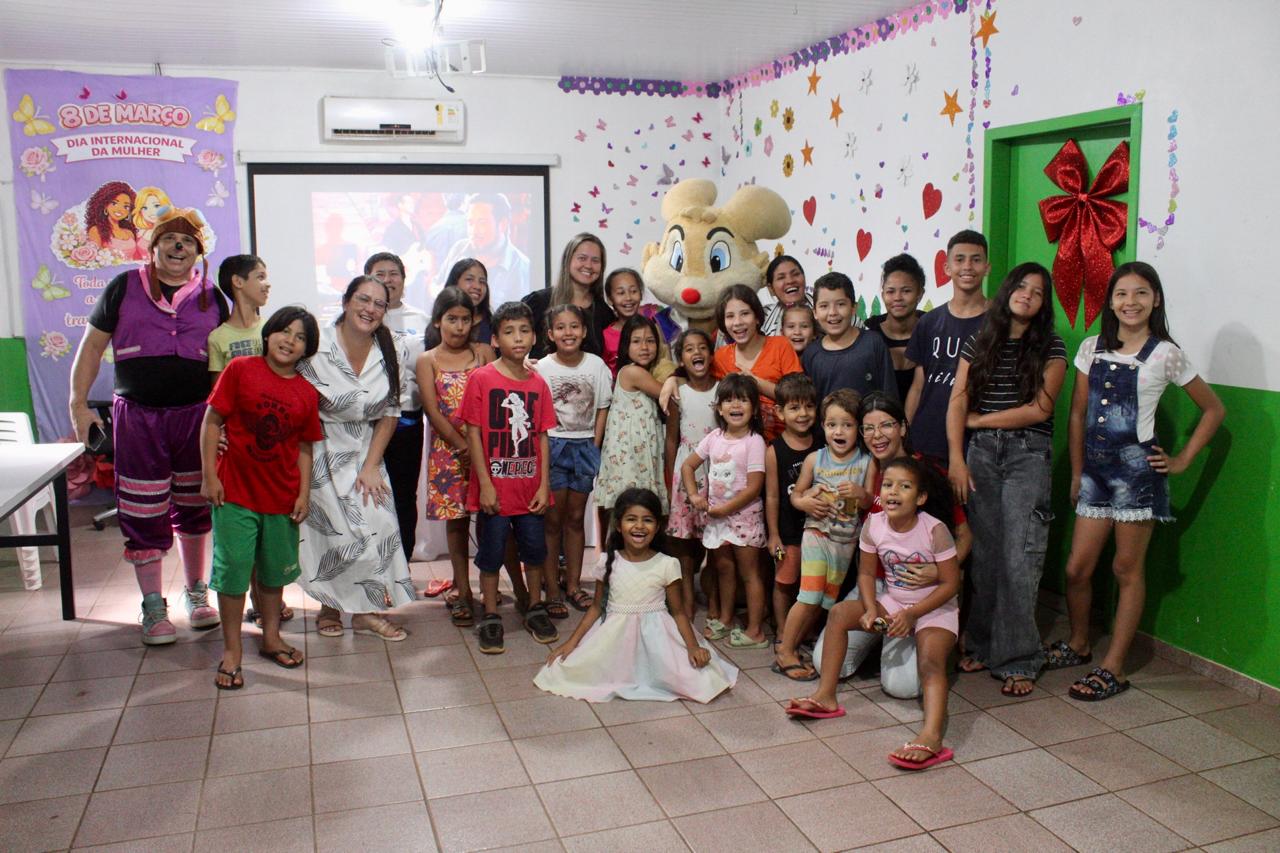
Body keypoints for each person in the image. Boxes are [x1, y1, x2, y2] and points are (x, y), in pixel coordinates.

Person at [1049, 262, 1224, 701]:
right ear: (1110, 302)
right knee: (1077, 568)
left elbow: (1214, 410)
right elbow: (1077, 414)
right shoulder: (1091, 347)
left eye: (1141, 293)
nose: (1131, 302)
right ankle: (1079, 642)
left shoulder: (1165, 354)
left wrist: (1182, 460)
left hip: (1137, 476)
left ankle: (1114, 667)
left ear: (1156, 299)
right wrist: (1077, 472)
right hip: (1094, 473)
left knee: (1125, 569)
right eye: (1122, 293)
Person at [69, 208, 227, 644]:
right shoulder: (123, 287)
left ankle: (197, 593)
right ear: (153, 247)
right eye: (170, 239)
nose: (179, 246)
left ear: (198, 252)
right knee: (142, 509)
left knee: (195, 506)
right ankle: (153, 605)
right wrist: (78, 404)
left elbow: (227, 363)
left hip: (196, 418)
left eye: (188, 241)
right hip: (138, 418)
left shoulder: (212, 296)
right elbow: (91, 348)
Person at [789, 457, 961, 773]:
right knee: (840, 614)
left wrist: (913, 615)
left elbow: (951, 583)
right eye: (888, 485)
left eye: (904, 486)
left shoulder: (935, 530)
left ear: (921, 497)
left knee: (930, 661)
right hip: (893, 602)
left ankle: (932, 736)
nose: (893, 492)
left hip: (934, 608)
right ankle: (826, 696)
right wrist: (870, 608)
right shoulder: (874, 523)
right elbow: (867, 574)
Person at [946, 262, 1067, 696]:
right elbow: (957, 400)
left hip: (1027, 455)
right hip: (979, 455)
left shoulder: (1051, 345)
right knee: (985, 556)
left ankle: (1019, 657)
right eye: (1021, 286)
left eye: (1037, 291)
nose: (1027, 295)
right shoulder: (980, 339)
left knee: (1021, 557)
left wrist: (981, 421)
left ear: (1043, 303)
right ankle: (981, 644)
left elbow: (1041, 409)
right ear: (1007, 289)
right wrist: (956, 458)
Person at [811, 392, 971, 698]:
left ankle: (929, 644)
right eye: (868, 428)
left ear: (902, 427)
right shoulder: (862, 467)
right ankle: (880, 641)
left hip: (917, 591)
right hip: (876, 587)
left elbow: (964, 535)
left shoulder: (925, 474)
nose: (877, 435)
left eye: (885, 425)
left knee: (902, 688)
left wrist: (940, 572)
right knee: (828, 664)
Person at [201, 306, 322, 689]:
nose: (290, 341)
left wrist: (303, 494)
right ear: (268, 334)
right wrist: (209, 476)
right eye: (285, 331)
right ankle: (232, 651)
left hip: (281, 498)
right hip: (234, 493)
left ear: (307, 349)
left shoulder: (306, 392)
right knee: (234, 570)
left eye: (300, 337)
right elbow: (212, 422)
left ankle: (271, 638)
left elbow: (305, 447)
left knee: (273, 573)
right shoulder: (240, 370)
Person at [296, 276, 416, 641]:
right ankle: (329, 607)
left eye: (379, 304)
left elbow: (391, 412)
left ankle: (367, 612)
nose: (370, 309)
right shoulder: (316, 345)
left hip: (366, 450)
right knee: (330, 535)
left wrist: (371, 465)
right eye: (363, 299)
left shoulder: (392, 348)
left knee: (377, 527)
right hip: (319, 450)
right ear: (346, 301)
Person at [534, 488, 738, 703]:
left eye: (647, 520)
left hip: (658, 638)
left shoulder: (667, 564)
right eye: (631, 519)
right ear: (618, 525)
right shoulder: (607, 562)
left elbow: (678, 613)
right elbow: (595, 608)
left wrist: (692, 646)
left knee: (699, 679)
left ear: (657, 527)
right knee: (569, 670)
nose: (639, 526)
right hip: (615, 637)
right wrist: (572, 643)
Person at [461, 301, 559, 653]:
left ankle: (534, 607)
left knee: (534, 552)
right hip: (495, 492)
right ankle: (490, 614)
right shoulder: (482, 378)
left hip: (529, 490)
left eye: (524, 331)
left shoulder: (538, 384)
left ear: (534, 337)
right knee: (491, 554)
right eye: (509, 331)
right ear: (495, 339)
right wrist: (485, 485)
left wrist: (544, 484)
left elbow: (542, 436)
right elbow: (473, 434)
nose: (517, 338)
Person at [207, 254, 296, 630]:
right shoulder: (219, 338)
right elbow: (217, 400)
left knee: (270, 537)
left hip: (275, 451)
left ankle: (267, 604)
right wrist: (218, 439)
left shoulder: (274, 332)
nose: (267, 283)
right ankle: (254, 606)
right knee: (241, 537)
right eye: (260, 276)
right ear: (237, 282)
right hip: (238, 455)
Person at [774, 389, 872, 679]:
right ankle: (784, 650)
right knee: (809, 595)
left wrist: (860, 493)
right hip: (817, 534)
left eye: (847, 425)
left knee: (825, 600)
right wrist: (804, 502)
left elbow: (870, 502)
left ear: (859, 428)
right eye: (831, 425)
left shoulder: (866, 462)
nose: (838, 431)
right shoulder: (815, 460)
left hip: (846, 542)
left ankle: (795, 643)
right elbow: (796, 495)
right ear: (823, 426)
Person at [418, 287, 494, 627]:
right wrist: (463, 446)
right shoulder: (427, 360)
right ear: (438, 321)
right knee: (458, 522)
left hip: (487, 450)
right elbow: (432, 411)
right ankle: (463, 591)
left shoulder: (484, 353)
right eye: (452, 319)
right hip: (448, 452)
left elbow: (494, 401)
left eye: (465, 319)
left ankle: (490, 589)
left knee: (493, 519)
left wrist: (478, 448)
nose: (459, 327)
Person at [536, 304, 613, 616]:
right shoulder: (542, 368)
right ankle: (552, 589)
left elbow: (602, 407)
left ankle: (573, 585)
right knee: (552, 520)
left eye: (574, 326)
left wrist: (594, 445)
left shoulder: (596, 365)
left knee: (576, 517)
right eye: (561, 327)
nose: (568, 332)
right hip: (553, 446)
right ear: (550, 334)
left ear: (583, 331)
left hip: (584, 447)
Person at [681, 373, 768, 648]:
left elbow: (754, 487)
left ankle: (755, 631)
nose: (736, 405)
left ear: (754, 408)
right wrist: (694, 495)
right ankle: (727, 619)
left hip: (745, 519)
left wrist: (724, 509)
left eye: (743, 400)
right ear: (719, 408)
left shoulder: (754, 441)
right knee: (724, 569)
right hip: (718, 519)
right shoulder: (715, 437)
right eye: (729, 400)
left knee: (749, 574)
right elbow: (688, 466)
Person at [905, 231, 991, 465]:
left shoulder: (999, 323)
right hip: (927, 439)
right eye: (959, 259)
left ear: (987, 267)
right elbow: (918, 386)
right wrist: (906, 435)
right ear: (947, 267)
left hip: (979, 443)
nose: (968, 266)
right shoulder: (929, 322)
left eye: (976, 259)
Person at [366, 252, 430, 561]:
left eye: (393, 273)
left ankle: (402, 566)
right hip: (368, 421)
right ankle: (372, 566)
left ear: (404, 279)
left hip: (407, 420)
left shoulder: (422, 320)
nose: (388, 280)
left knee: (404, 496)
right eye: (379, 274)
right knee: (369, 495)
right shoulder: (361, 317)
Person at [594, 315, 669, 535]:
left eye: (650, 341)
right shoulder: (631, 372)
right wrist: (674, 377)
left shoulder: (645, 372)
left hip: (642, 453)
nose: (644, 347)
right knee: (628, 507)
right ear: (625, 346)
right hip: (629, 457)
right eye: (636, 341)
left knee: (641, 508)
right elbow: (668, 393)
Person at [663, 328, 719, 622]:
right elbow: (671, 439)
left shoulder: (722, 390)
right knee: (684, 540)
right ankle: (685, 597)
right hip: (685, 473)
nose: (697, 353)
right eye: (689, 349)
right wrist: (668, 480)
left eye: (702, 347)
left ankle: (714, 598)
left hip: (717, 472)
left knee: (715, 539)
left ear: (711, 354)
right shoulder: (678, 394)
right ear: (681, 360)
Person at [764, 373, 820, 656]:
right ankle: (782, 631)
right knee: (785, 583)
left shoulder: (822, 442)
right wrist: (773, 534)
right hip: (788, 531)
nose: (803, 414)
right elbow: (772, 495)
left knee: (811, 584)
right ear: (780, 412)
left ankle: (806, 630)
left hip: (818, 529)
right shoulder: (775, 450)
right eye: (794, 408)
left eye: (808, 406)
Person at [711, 284, 802, 442]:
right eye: (730, 316)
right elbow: (698, 382)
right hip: (740, 445)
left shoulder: (780, 346)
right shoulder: (720, 357)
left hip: (784, 443)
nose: (737, 322)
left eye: (745, 313)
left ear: (757, 317)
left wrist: (755, 382)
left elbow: (799, 396)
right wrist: (673, 379)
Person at [802, 272, 897, 404]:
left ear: (853, 308)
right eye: (824, 306)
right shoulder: (811, 354)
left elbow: (889, 395)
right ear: (815, 313)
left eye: (841, 304)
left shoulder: (873, 343)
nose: (833, 312)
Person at [523, 233, 614, 358]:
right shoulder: (539, 301)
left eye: (595, 260)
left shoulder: (604, 313)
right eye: (582, 258)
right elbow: (508, 338)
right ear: (568, 260)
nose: (588, 265)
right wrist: (519, 362)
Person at [441, 193, 531, 307]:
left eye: (482, 222)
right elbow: (438, 286)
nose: (474, 231)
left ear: (502, 224)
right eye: (470, 223)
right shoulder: (458, 249)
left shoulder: (521, 267)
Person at [865, 253, 927, 401]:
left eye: (906, 291)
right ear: (883, 295)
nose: (897, 298)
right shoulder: (869, 334)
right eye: (891, 291)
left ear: (920, 294)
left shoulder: (932, 331)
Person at [601, 268, 669, 375]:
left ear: (641, 294)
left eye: (633, 291)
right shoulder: (605, 336)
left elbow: (666, 360)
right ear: (610, 299)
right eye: (621, 293)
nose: (628, 298)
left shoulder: (654, 325)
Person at [84, 180, 144, 260]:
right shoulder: (96, 231)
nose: (120, 209)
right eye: (114, 203)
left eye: (126, 206)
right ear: (105, 205)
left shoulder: (129, 233)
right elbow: (96, 261)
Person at [442, 258, 493, 346]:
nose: (477, 286)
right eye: (469, 279)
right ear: (455, 282)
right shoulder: (440, 321)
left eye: (482, 281)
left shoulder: (493, 326)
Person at [759, 255, 811, 336]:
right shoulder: (762, 316)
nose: (790, 281)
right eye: (781, 278)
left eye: (795, 274)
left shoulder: (822, 309)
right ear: (771, 288)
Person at [132, 185, 172, 254]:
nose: (151, 212)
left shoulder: (172, 232)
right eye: (144, 208)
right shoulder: (141, 233)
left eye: (156, 206)